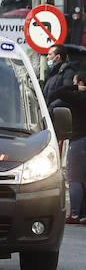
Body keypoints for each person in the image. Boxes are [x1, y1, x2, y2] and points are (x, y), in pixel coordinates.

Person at [48, 71, 86, 224]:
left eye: (75, 82)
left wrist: (75, 89)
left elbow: (58, 92)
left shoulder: (79, 97)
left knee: (75, 178)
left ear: (80, 83)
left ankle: (75, 214)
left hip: (79, 140)